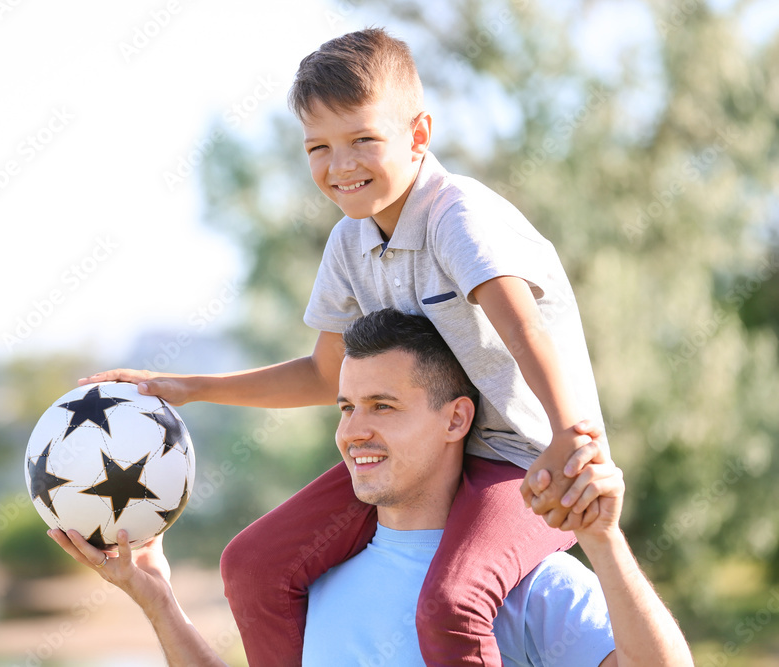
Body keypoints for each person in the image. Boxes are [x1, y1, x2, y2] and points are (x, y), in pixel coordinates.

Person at [81, 28, 609, 665]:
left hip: (522, 458)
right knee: (253, 566)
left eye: (364, 140)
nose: (341, 165)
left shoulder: (457, 217)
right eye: (319, 147)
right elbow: (321, 373)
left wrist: (570, 438)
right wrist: (192, 388)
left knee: (453, 603)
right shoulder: (349, 244)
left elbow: (526, 330)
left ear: (417, 136)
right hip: (428, 448)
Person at [53, 309, 693, 666]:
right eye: (345, 407)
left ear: (455, 419)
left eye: (383, 406)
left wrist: (604, 543)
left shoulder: (534, 587)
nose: (354, 431)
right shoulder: (313, 580)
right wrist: (158, 600)